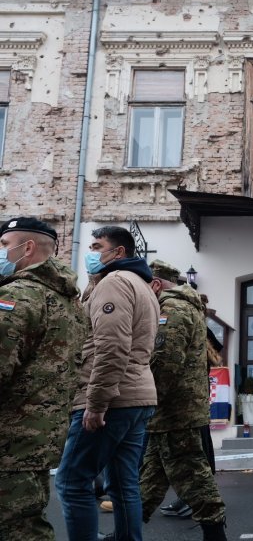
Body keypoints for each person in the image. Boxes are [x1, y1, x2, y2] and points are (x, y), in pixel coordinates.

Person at [55, 226, 159, 541]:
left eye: (98, 246)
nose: (91, 252)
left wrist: (96, 403)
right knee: (122, 483)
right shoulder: (138, 284)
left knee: (73, 481)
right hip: (135, 395)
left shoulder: (114, 283)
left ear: (119, 253)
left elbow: (111, 347)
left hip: (112, 399)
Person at [0, 217, 89, 540]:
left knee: (17, 529)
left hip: (9, 436)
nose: (1, 252)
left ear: (28, 248)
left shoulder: (19, 297)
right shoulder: (68, 301)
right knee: (25, 520)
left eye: (4, 245)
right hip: (40, 434)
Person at [138, 260, 227, 540]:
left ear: (155, 284)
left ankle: (215, 534)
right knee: (150, 477)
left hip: (175, 411)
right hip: (170, 412)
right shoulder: (183, 306)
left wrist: (145, 401)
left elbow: (164, 363)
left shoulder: (172, 309)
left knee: (194, 477)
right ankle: (125, 530)